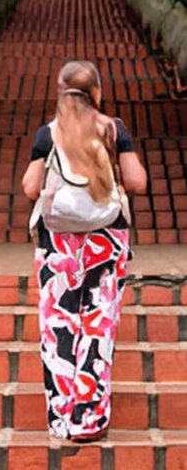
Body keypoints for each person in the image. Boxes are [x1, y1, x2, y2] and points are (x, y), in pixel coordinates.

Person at [21, 60, 147, 442]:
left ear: (59, 92)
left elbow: (30, 188)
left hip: (58, 243)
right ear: (97, 92)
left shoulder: (48, 134)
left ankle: (61, 418)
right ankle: (89, 419)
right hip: (106, 240)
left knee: (59, 324)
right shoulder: (113, 129)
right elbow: (137, 182)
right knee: (98, 322)